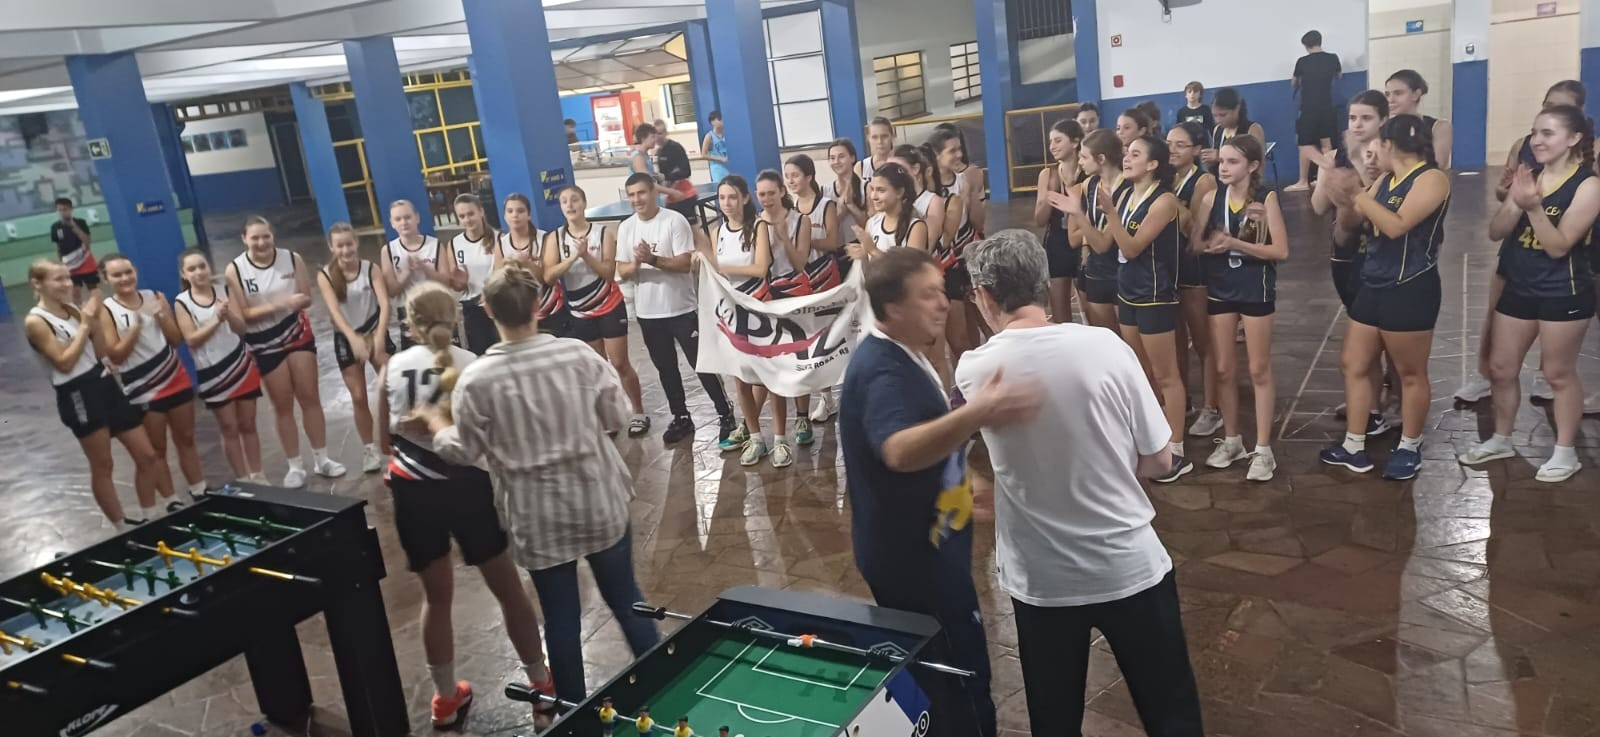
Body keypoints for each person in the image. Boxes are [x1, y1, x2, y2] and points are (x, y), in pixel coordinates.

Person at [954, 229, 1204, 737]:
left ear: (984, 295)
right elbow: (1160, 460)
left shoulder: (976, 368)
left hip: (1042, 578)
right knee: (1172, 715)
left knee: (1054, 719)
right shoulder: (1104, 345)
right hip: (1128, 564)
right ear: (1045, 283)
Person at [417, 262, 660, 706]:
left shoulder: (478, 378)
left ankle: (574, 720)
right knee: (628, 601)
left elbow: (465, 451)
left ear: (488, 308)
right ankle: (668, 690)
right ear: (537, 304)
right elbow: (617, 415)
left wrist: (437, 425)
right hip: (599, 498)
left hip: (536, 516)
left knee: (561, 622)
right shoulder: (577, 355)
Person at [840, 246, 1039, 737]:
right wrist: (979, 411)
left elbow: (921, 436)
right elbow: (898, 450)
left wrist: (959, 476)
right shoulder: (884, 369)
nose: (944, 303)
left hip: (923, 548)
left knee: (939, 672)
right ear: (892, 308)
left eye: (941, 290)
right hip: (914, 562)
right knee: (957, 679)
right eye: (927, 295)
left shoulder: (901, 353)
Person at [378, 282, 555, 730]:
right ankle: (541, 686)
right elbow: (494, 432)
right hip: (467, 484)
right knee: (508, 589)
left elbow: (383, 439)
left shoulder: (394, 366)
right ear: (455, 318)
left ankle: (444, 698)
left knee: (436, 598)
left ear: (410, 324)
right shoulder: (473, 364)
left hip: (412, 489)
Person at [1458, 105, 1596, 482]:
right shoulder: (1529, 177)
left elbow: (1559, 246)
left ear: (1574, 138)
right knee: (1501, 369)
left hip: (1563, 290)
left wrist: (1533, 208)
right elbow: (1496, 232)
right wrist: (1515, 203)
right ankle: (1501, 438)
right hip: (1520, 285)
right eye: (1535, 132)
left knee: (1557, 373)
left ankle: (1566, 451)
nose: (1537, 140)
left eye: (1548, 133)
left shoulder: (1588, 186)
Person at [1320, 115, 1450, 480]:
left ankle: (1409, 446)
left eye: (1378, 143)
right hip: (1373, 282)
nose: (1373, 150)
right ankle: (1354, 445)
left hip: (1410, 285)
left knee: (1410, 373)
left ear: (1389, 145)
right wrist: (1341, 194)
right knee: (1353, 363)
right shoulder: (1385, 180)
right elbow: (1357, 221)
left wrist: (1358, 193)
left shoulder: (1431, 178)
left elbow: (1396, 225)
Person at [1457, 80, 1587, 407]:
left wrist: (1539, 206)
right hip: (1521, 248)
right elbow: (1505, 194)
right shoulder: (1525, 146)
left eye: (1561, 108)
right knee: (1498, 313)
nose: (1550, 114)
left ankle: (1549, 376)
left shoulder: (1590, 156)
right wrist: (1510, 193)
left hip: (1572, 255)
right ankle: (1487, 375)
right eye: (1547, 105)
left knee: (1560, 336)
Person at [25, 259, 164, 528]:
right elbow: (64, 362)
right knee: (103, 464)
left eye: (68, 278)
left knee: (147, 455)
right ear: (37, 283)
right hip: (77, 391)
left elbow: (100, 351)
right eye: (58, 279)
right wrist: (86, 324)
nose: (67, 284)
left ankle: (151, 516)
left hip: (103, 382)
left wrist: (95, 320)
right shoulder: (36, 321)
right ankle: (121, 527)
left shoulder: (73, 310)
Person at [615, 172, 737, 445]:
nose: (637, 199)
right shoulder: (626, 228)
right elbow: (622, 270)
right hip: (648, 313)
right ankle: (681, 416)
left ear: (653, 192)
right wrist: (636, 263)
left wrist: (652, 259)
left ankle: (724, 413)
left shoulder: (674, 221)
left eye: (641, 193)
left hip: (681, 309)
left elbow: (683, 265)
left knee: (702, 364)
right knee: (665, 369)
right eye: (632, 195)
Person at [1193, 135, 1288, 481]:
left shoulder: (1265, 199)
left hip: (1254, 288)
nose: (1224, 168)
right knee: (1223, 369)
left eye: (1232, 162)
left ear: (1253, 166)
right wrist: (1206, 243)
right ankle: (1232, 440)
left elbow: (1281, 251)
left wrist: (1235, 242)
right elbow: (1196, 244)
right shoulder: (1211, 198)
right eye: (1221, 161)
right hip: (1221, 287)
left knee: (1259, 369)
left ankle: (1263, 449)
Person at [228, 215, 346, 487]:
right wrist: (279, 304)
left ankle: (322, 458)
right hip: (263, 342)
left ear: (273, 236)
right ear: (244, 239)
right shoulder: (235, 270)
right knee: (282, 405)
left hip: (296, 333)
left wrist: (295, 302)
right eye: (255, 238)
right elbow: (243, 314)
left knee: (309, 397)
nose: (261, 242)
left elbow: (306, 297)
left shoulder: (292, 259)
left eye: (266, 236)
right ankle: (295, 465)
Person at [1313, 90, 1394, 436]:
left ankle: (1385, 403)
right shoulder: (1337, 156)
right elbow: (1318, 207)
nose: (1357, 125)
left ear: (1383, 121)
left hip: (1382, 254)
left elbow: (1383, 206)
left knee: (1386, 339)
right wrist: (1328, 177)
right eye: (1352, 118)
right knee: (1363, 336)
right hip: (1346, 256)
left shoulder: (1391, 156)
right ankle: (1368, 401)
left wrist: (1359, 172)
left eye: (1366, 118)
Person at [543, 186, 650, 437]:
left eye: (574, 200)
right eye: (564, 201)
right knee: (597, 365)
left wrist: (586, 256)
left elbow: (608, 273)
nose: (570, 205)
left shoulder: (602, 233)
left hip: (609, 305)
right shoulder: (555, 238)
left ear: (583, 203)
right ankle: (609, 416)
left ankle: (638, 412)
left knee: (620, 363)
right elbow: (548, 276)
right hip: (580, 311)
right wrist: (572, 258)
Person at [97, 254, 205, 505]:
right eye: (116, 275)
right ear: (105, 279)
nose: (125, 278)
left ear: (135, 271)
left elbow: (175, 340)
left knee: (187, 438)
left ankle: (199, 489)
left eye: (128, 272)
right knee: (157, 449)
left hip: (175, 376)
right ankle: (170, 500)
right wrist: (136, 326)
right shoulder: (107, 310)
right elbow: (117, 355)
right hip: (142, 387)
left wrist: (163, 316)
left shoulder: (153, 297)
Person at [701, 175, 791, 467]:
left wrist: (718, 265)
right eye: (722, 198)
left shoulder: (758, 226)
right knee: (740, 379)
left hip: (761, 307)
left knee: (772, 377)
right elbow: (715, 276)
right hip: (733, 313)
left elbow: (760, 268)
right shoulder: (716, 231)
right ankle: (755, 438)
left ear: (744, 198)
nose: (726, 203)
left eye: (732, 197)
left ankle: (780, 439)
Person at [174, 248, 264, 483]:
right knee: (229, 427)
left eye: (202, 266)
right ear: (184, 274)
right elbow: (191, 339)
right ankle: (243, 479)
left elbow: (241, 328)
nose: (198, 272)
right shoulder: (182, 302)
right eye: (192, 269)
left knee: (248, 424)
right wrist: (216, 319)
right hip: (213, 373)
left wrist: (228, 315)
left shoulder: (224, 290)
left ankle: (258, 474)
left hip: (240, 364)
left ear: (208, 267)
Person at [315, 222, 392, 473]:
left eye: (349, 244)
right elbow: (335, 312)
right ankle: (369, 449)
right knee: (358, 396)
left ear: (356, 243)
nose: (346, 250)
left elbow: (384, 304)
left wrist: (379, 337)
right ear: (331, 247)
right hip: (346, 336)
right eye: (340, 246)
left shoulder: (370, 269)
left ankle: (398, 442)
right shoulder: (326, 275)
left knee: (392, 388)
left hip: (374, 329)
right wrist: (354, 339)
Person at [1056, 129, 1129, 332]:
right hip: (1096, 271)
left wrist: (1076, 213)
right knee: (1104, 338)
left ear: (1102, 159)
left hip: (1120, 272)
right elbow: (1086, 233)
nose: (1080, 162)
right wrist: (1085, 246)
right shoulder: (1090, 184)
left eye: (1084, 157)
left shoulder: (1127, 188)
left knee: (1128, 343)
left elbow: (1103, 244)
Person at [378, 199, 453, 350]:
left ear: (417, 218)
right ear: (392, 223)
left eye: (407, 217)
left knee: (442, 354)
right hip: (408, 311)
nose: (404, 222)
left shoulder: (435, 245)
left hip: (435, 308)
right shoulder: (388, 250)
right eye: (398, 219)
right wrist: (407, 272)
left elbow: (446, 283)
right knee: (415, 356)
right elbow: (391, 291)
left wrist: (425, 268)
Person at [495, 193, 570, 338]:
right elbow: (499, 282)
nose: (515, 215)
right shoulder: (501, 245)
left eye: (520, 211)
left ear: (529, 215)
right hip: (521, 313)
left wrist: (527, 263)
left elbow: (547, 278)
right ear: (504, 216)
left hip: (550, 309)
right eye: (510, 211)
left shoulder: (545, 238)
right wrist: (509, 267)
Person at [1036, 118, 1086, 323]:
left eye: (1058, 141)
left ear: (1075, 142)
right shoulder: (1048, 174)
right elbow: (1040, 220)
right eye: (1050, 142)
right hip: (1057, 242)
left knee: (1090, 309)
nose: (1052, 146)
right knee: (1060, 315)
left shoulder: (1088, 172)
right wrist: (1050, 194)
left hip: (1083, 241)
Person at [1289, 30, 1343, 192]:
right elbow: (1339, 76)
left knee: (1305, 145)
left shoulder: (1302, 61)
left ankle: (1303, 181)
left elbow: (1294, 82)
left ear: (1306, 45)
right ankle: (1326, 180)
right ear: (1320, 41)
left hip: (1308, 108)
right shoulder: (1332, 58)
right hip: (1327, 107)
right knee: (1327, 144)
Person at [448, 193, 499, 354]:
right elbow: (456, 285)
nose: (467, 219)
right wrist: (459, 282)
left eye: (471, 214)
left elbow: (504, 273)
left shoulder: (499, 238)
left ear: (481, 211)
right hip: (472, 309)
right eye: (462, 216)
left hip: (498, 303)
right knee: (480, 354)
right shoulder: (454, 243)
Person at [850, 163, 930, 258]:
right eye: (872, 189)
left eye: (881, 190)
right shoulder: (872, 223)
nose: (874, 196)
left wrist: (873, 250)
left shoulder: (915, 226)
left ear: (899, 192)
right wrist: (862, 254)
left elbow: (912, 266)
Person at [1385, 70, 1452, 168]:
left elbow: (1438, 165)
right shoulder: (1384, 128)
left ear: (1416, 95)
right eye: (1387, 94)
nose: (1390, 100)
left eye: (1398, 93)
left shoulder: (1439, 127)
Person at [1203, 88, 1266, 172]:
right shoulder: (1217, 129)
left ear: (1237, 109)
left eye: (1223, 115)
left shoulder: (1252, 129)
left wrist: (1219, 156)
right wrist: (1210, 161)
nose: (1218, 120)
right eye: (1215, 115)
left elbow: (1258, 164)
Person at [50, 197, 99, 300]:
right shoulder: (55, 227)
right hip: (69, 263)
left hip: (85, 260)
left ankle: (98, 306)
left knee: (93, 288)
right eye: (60, 210)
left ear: (71, 209)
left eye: (65, 209)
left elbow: (87, 242)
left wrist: (74, 227)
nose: (62, 212)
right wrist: (60, 264)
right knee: (74, 290)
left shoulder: (81, 222)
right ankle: (79, 309)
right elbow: (58, 247)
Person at [654, 119, 700, 224]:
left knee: (693, 229)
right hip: (671, 198)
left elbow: (686, 171)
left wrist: (666, 177)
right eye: (655, 134)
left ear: (665, 133)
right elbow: (663, 176)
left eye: (660, 133)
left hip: (685, 195)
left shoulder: (675, 148)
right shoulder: (659, 152)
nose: (657, 136)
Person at [858, 117, 896, 196]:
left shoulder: (902, 164)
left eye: (884, 136)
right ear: (868, 139)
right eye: (874, 137)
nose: (880, 141)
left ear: (892, 136)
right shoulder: (860, 167)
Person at [701, 110, 731, 185]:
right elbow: (703, 155)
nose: (722, 121)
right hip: (717, 167)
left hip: (729, 166)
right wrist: (720, 159)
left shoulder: (728, 133)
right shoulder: (709, 136)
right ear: (712, 122)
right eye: (719, 119)